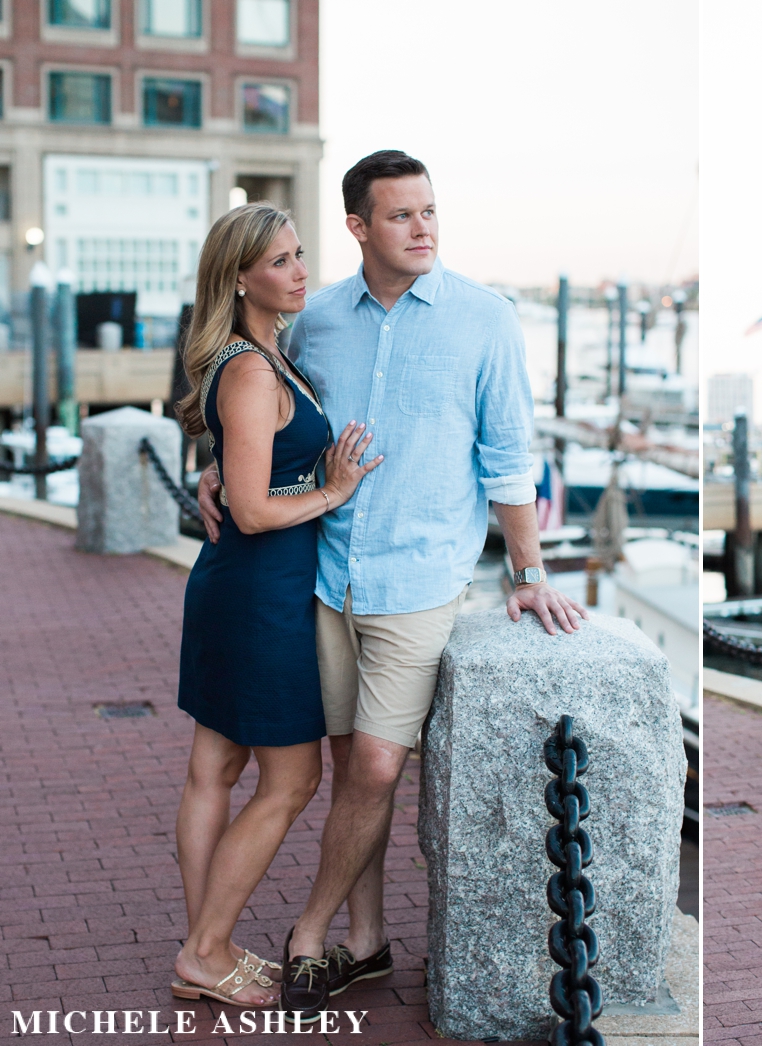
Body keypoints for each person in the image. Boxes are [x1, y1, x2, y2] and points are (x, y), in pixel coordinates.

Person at [197, 151, 588, 1015]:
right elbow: (267, 411)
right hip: (327, 574)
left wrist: (527, 571)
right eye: (402, 215)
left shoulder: (485, 318)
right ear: (359, 227)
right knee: (348, 771)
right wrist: (216, 469)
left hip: (420, 580)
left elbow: (508, 456)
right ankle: (366, 943)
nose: (422, 229)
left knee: (375, 766)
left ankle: (308, 933)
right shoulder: (316, 316)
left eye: (430, 212)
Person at [172, 204, 382, 1007]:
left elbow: (245, 464)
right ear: (239, 278)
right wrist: (332, 489)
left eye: (300, 256)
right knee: (290, 782)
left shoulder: (258, 354)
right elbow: (256, 510)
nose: (300, 273)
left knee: (213, 769)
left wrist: (222, 466)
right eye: (281, 262)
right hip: (261, 594)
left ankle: (205, 953)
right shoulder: (254, 367)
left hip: (240, 586)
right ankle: (207, 949)